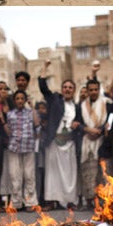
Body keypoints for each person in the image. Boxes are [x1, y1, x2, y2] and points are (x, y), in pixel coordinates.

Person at [38, 62, 82, 211]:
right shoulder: (55, 101)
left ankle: (69, 201)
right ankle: (51, 201)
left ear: (74, 90)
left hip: (70, 143)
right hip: (54, 143)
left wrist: (77, 125)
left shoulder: (77, 107)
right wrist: (45, 69)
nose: (67, 89)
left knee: (70, 174)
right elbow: (43, 88)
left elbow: (81, 123)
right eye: (65, 87)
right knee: (53, 174)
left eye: (70, 87)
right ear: (62, 90)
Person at [1, 90, 40, 211]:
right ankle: (16, 202)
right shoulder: (10, 114)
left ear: (25, 100)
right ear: (14, 101)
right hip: (14, 148)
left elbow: (37, 124)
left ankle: (30, 202)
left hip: (28, 147)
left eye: (22, 98)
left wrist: (32, 106)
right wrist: (2, 119)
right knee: (15, 175)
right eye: (17, 99)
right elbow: (8, 132)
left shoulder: (30, 113)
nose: (19, 101)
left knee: (29, 175)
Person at [78, 79, 108, 211]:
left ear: (99, 89)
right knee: (87, 172)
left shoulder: (107, 103)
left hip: (101, 141)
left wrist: (100, 130)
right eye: (91, 90)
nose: (93, 92)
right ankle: (89, 200)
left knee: (101, 173)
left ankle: (101, 200)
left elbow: (110, 120)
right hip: (87, 142)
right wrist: (87, 129)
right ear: (88, 91)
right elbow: (77, 122)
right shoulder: (82, 105)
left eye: (96, 89)